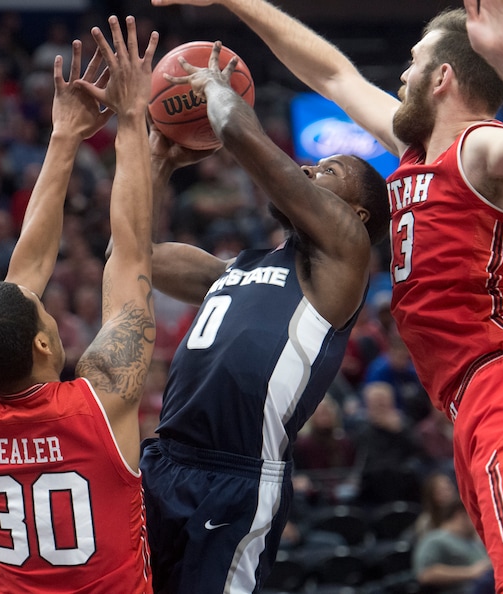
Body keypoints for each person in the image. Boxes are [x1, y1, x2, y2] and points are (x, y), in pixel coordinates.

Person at [148, 0, 503, 590]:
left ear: (442, 77)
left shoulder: (483, 151)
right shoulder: (415, 154)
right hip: (470, 403)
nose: (400, 76)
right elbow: (332, 73)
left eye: (412, 63)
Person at [138, 41, 390, 594]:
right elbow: (129, 260)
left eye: (327, 170)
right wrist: (156, 164)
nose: (306, 168)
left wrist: (215, 87)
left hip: (238, 478)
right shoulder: (232, 269)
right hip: (163, 461)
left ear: (356, 212)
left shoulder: (344, 257)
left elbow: (241, 137)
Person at [0, 17, 158, 593]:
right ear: (42, 342)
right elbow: (132, 256)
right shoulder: (100, 402)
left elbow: (24, 282)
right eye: (45, 315)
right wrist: (132, 116)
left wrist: (66, 137)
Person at [413, 498, 493, 594]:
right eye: (475, 516)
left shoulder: (472, 539)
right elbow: (425, 574)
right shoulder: (434, 539)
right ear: (461, 515)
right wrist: (470, 572)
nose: (478, 521)